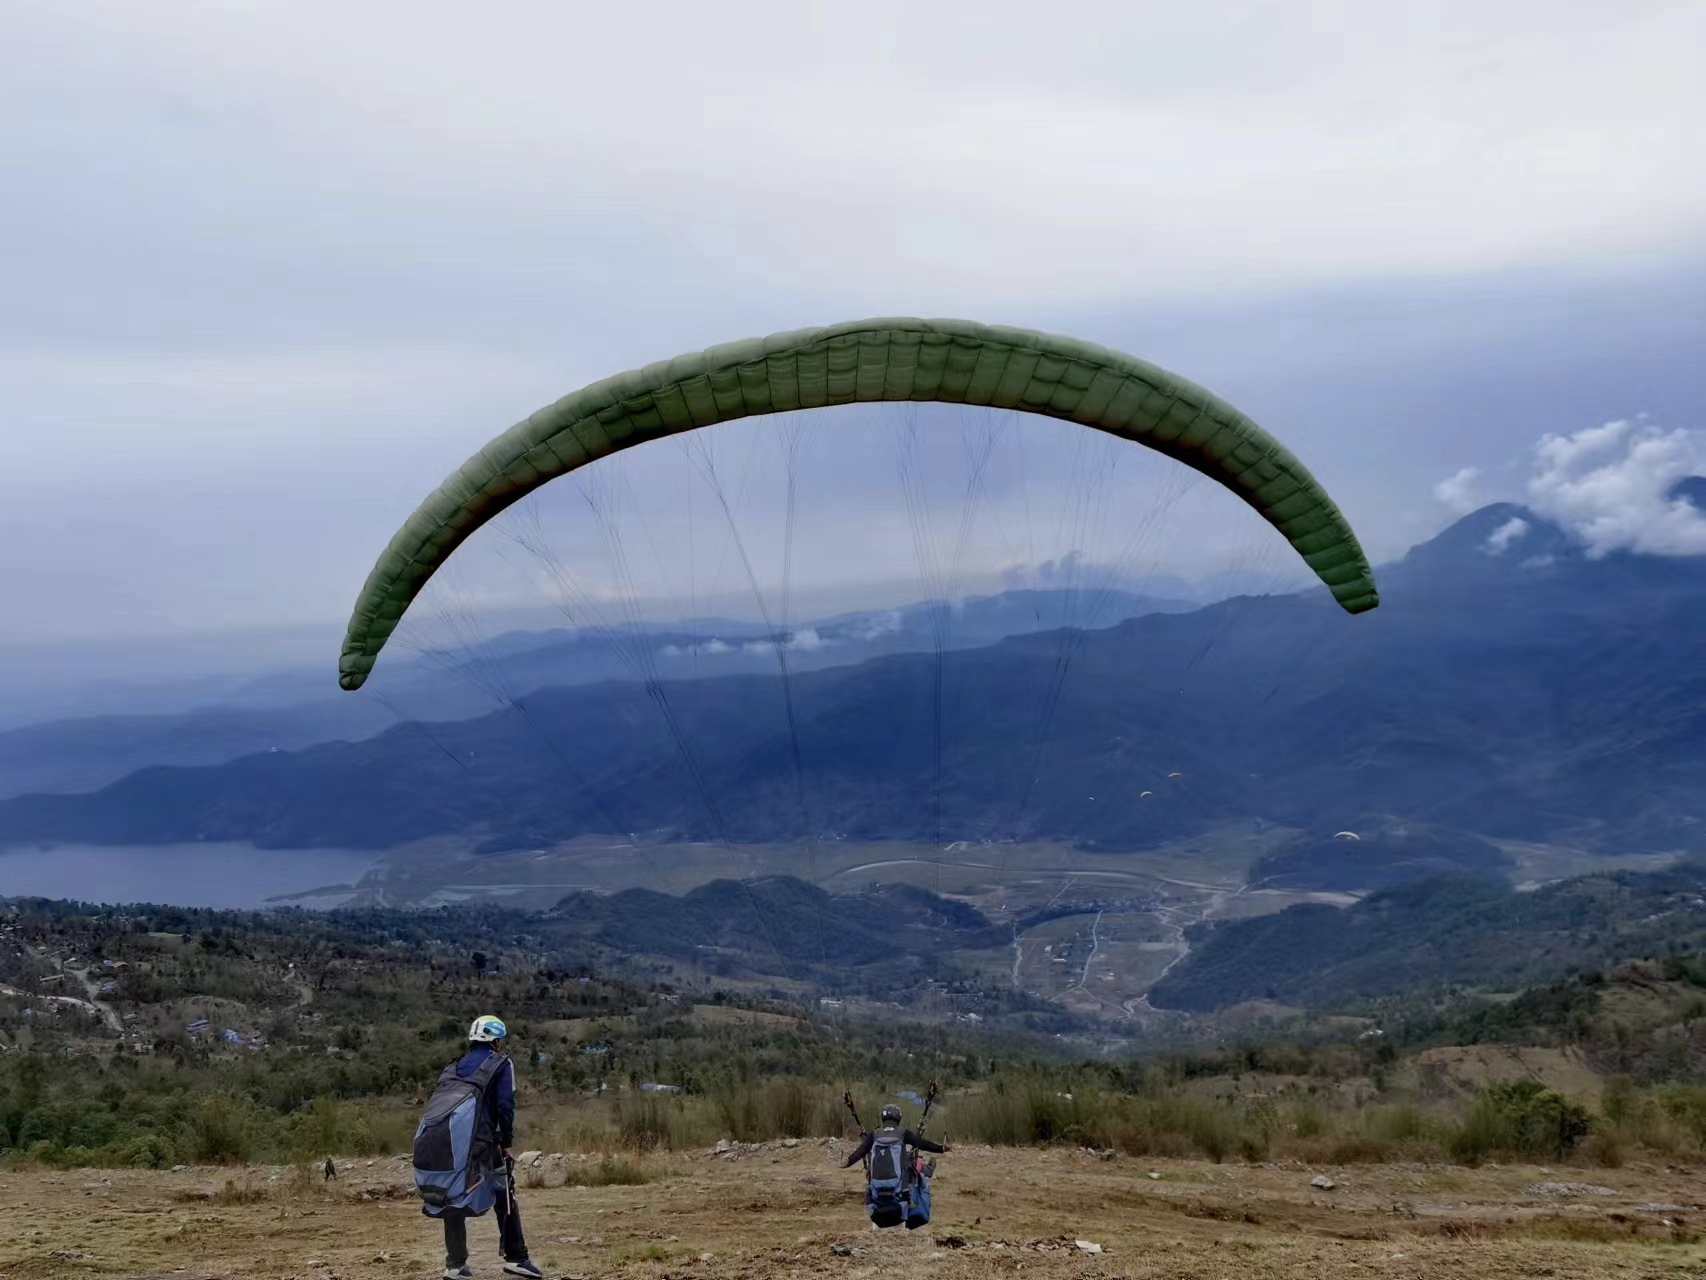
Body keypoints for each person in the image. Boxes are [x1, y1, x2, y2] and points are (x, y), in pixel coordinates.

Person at [429, 1015, 542, 1280]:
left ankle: (455, 1266)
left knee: (453, 1196)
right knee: (504, 1194)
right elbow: (505, 1106)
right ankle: (517, 1258)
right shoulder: (501, 1063)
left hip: (449, 1143)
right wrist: (506, 1142)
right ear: (496, 1040)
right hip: (483, 1141)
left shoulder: (452, 1067)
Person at [842, 1104, 950, 1229]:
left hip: (878, 1196)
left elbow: (861, 1150)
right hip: (899, 1195)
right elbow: (922, 1143)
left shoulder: (874, 1134)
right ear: (898, 1119)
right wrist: (941, 1148)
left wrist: (848, 1161)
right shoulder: (903, 1133)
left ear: (883, 1119)